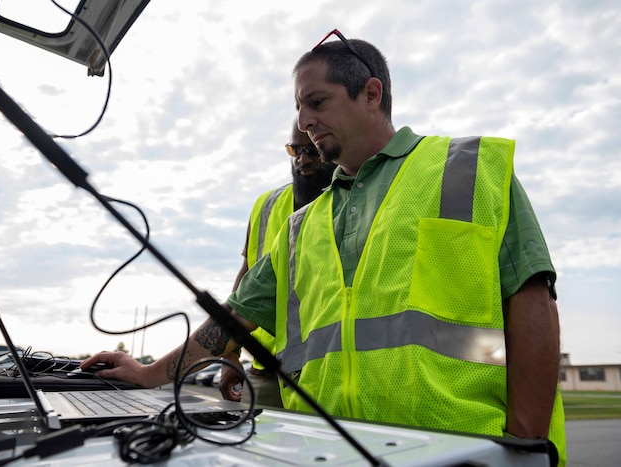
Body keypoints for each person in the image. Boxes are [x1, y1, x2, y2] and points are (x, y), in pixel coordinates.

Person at [83, 31, 566, 466]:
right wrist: (149, 375)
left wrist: (524, 443)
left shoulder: (467, 168)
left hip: (459, 449)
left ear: (370, 93)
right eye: (298, 107)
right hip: (328, 448)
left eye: (317, 101)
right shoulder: (300, 227)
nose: (304, 120)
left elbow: (532, 302)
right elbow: (232, 320)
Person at [219, 122, 336, 408]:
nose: (302, 158)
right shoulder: (265, 205)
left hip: (327, 372)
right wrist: (228, 353)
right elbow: (246, 277)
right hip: (265, 371)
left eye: (312, 150)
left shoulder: (350, 200)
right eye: (295, 149)